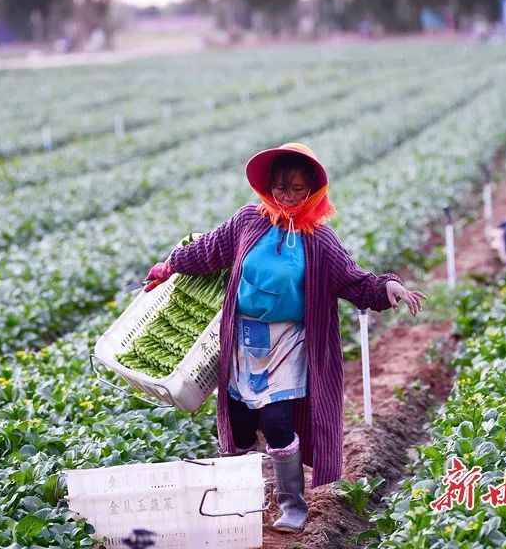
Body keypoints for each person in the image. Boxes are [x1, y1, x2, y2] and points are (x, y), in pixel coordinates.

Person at [143, 142, 425, 533]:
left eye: (296, 189)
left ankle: (292, 503)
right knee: (240, 425)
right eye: (280, 187)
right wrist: (168, 265)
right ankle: (243, 499)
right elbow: (208, 249)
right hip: (244, 338)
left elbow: (355, 281)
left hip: (288, 341)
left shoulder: (319, 240)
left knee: (277, 420)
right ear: (268, 187)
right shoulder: (248, 221)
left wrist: (387, 288)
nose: (287, 197)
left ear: (311, 190)